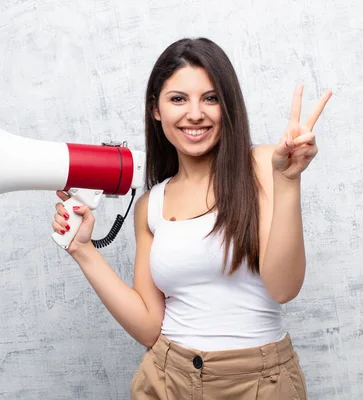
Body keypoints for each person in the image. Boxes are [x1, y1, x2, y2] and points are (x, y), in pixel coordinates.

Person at [51, 37, 332, 400]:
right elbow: (150, 327)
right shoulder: (151, 204)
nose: (195, 114)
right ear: (156, 109)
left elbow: (284, 288)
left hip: (258, 383)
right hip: (168, 379)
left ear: (226, 105)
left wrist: (288, 181)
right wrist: (83, 250)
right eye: (178, 99)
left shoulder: (263, 166)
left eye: (210, 98)